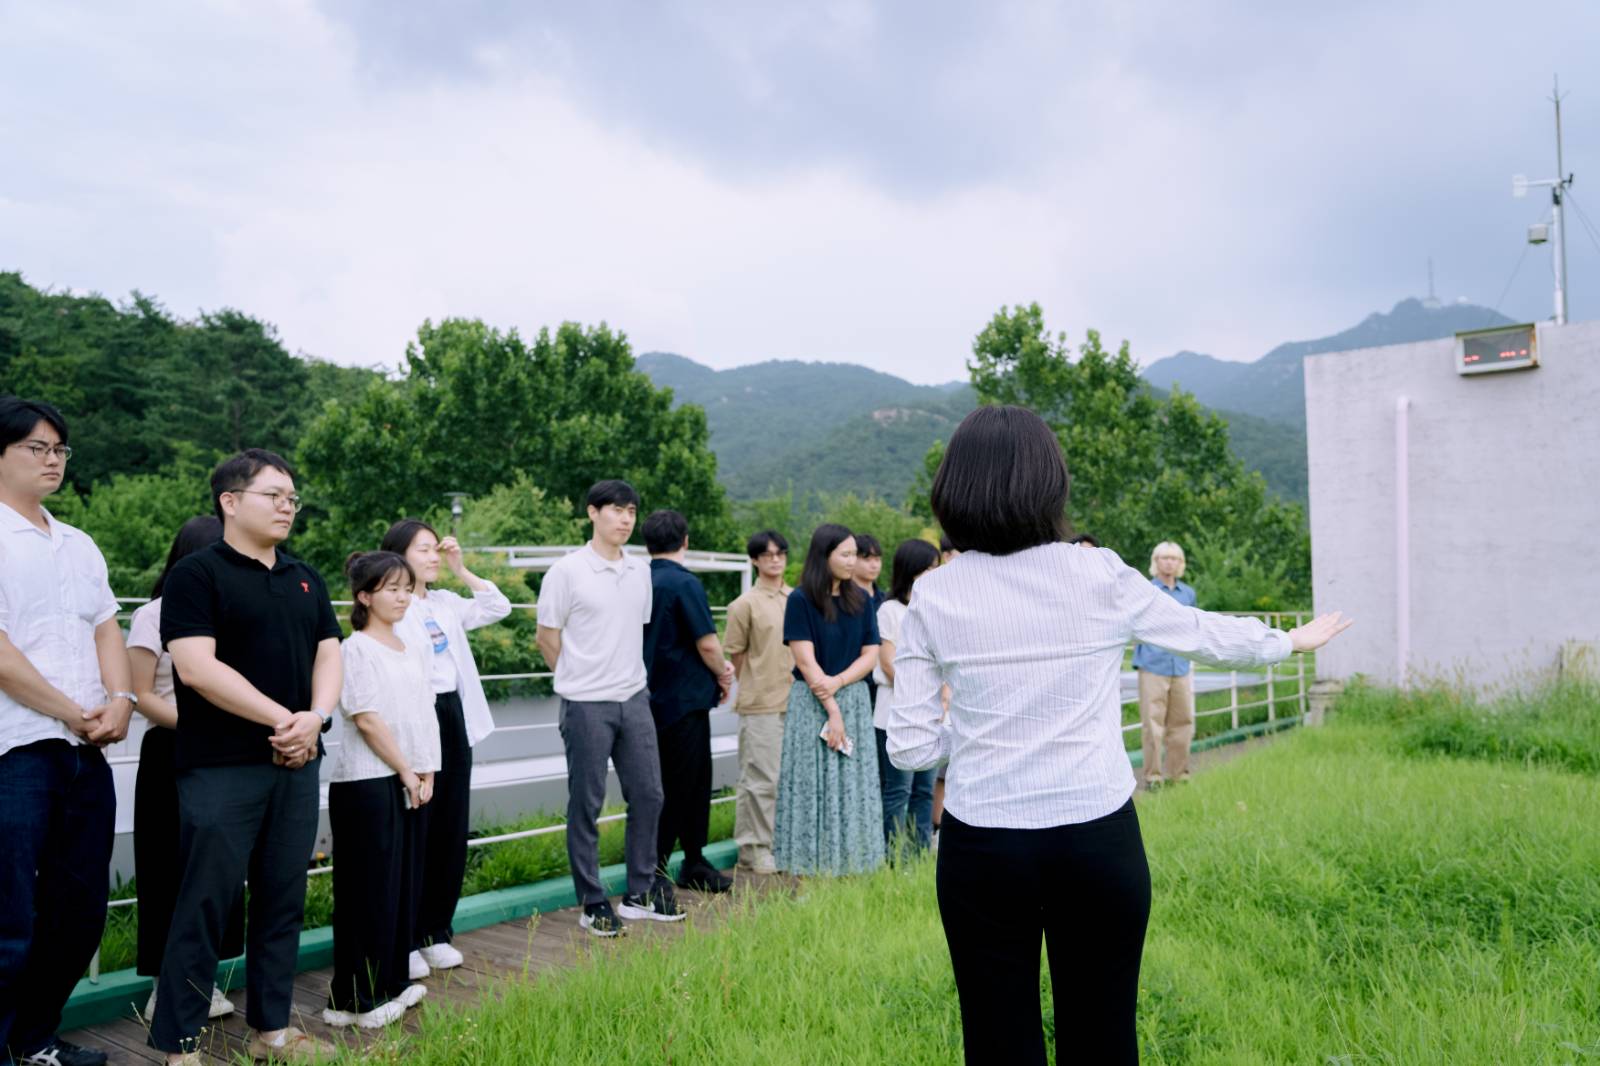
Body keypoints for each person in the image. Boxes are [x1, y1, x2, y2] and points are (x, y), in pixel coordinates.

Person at [886, 404, 1351, 1065]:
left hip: (982, 847)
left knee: (995, 1040)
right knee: (1103, 1037)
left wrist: (983, 733)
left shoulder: (933, 596)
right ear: (1050, 483)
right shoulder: (1098, 572)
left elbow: (909, 747)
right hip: (1095, 838)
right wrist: (1287, 641)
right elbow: (1199, 633)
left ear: (954, 489)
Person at [152, 449, 342, 1064]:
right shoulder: (197, 576)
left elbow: (330, 654)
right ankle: (180, 1047)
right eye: (274, 495)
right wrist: (285, 719)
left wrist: (315, 717)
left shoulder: (304, 577)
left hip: (297, 760)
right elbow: (197, 667)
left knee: (283, 896)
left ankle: (272, 1032)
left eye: (293, 497)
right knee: (204, 902)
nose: (288, 506)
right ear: (230, 501)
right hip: (221, 765)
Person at [0, 398, 132, 1066]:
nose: (52, 460)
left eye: (60, 450)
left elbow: (107, 625)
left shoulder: (77, 543)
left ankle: (35, 1040)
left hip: (87, 751)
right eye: (36, 448)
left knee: (78, 908)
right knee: (8, 917)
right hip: (15, 749)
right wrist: (69, 709)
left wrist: (120, 698)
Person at [535, 480, 677, 936]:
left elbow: (633, 628)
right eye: (616, 509)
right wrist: (577, 679)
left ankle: (639, 891)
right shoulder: (567, 571)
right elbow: (547, 637)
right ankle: (592, 900)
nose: (625, 518)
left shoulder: (640, 572)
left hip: (634, 697)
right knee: (587, 802)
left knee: (650, 794)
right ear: (593, 513)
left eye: (631, 510)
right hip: (586, 703)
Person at [379, 519, 512, 978]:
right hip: (416, 715)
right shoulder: (393, 607)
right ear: (398, 556)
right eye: (424, 550)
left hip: (454, 716)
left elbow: (498, 606)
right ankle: (408, 937)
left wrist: (461, 568)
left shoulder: (446, 603)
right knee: (417, 825)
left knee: (452, 826)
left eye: (437, 550)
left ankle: (437, 931)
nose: (434, 557)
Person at [127, 516, 243, 1026]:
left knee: (220, 869)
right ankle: (163, 986)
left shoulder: (236, 607)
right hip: (170, 751)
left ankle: (206, 979)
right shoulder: (152, 616)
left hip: (229, 753)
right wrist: (199, 727)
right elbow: (142, 696)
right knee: (166, 867)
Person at [323, 551, 438, 1029]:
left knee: (400, 886)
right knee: (367, 890)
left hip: (407, 779)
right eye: (392, 588)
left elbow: (422, 712)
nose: (403, 596)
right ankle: (355, 998)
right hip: (368, 781)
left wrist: (426, 770)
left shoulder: (409, 647)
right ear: (364, 595)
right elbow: (366, 718)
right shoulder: (356, 649)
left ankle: (389, 984)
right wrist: (408, 771)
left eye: (407, 587)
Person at [772, 524, 884, 876]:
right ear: (825, 556)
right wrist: (832, 709)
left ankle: (853, 866)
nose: (854, 561)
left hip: (852, 697)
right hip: (813, 702)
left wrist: (840, 683)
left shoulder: (862, 600)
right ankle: (808, 871)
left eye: (855, 554)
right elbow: (805, 661)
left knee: (854, 785)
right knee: (810, 785)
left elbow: (871, 654)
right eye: (846, 554)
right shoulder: (801, 599)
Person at [641, 510, 735, 897]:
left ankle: (671, 863)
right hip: (685, 700)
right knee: (690, 785)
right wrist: (724, 672)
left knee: (658, 784)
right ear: (686, 540)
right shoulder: (685, 583)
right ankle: (675, 864)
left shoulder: (638, 580)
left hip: (645, 697)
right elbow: (708, 642)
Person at [722, 530, 793, 875]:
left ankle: (776, 843)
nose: (775, 559)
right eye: (767, 554)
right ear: (754, 559)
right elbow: (736, 657)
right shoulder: (743, 605)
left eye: (780, 553)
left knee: (786, 779)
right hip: (759, 701)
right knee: (760, 779)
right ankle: (754, 849)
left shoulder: (797, 598)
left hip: (795, 701)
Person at [873, 538, 940, 853]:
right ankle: (893, 855)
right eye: (927, 569)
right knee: (898, 789)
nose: (932, 574)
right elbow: (888, 663)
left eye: (935, 568)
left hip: (932, 711)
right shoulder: (890, 610)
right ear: (910, 570)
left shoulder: (933, 609)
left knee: (924, 790)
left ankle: (920, 851)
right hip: (895, 710)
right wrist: (922, 690)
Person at [1133, 541, 1197, 789]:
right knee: (1153, 725)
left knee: (1182, 722)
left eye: (1174, 558)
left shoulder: (1188, 594)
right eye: (1164, 558)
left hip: (1180, 665)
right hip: (1152, 664)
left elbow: (1192, 626)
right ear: (1156, 561)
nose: (1169, 562)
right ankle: (1153, 777)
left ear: (1180, 564)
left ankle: (1178, 775)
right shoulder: (1146, 590)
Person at [851, 533, 886, 707]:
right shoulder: (842, 600)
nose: (874, 565)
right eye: (867, 559)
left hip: (883, 683)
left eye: (877, 559)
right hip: (853, 681)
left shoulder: (886, 600)